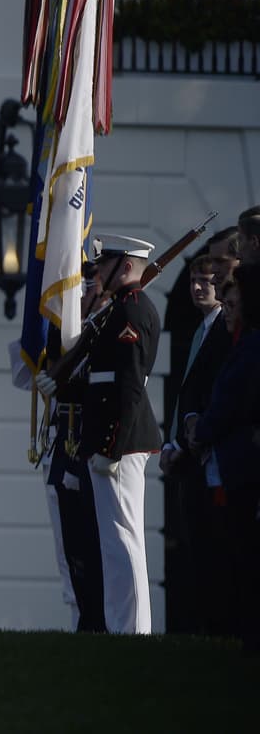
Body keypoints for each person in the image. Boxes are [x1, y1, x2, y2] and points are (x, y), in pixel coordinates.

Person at [79, 233, 162, 634]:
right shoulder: (120, 311)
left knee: (124, 539)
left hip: (120, 442)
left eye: (106, 263)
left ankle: (132, 630)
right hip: (112, 439)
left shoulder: (130, 313)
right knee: (114, 542)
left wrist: (111, 446)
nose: (97, 272)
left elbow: (129, 387)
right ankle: (122, 627)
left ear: (126, 266)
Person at [188, 267, 260, 653]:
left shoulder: (249, 347)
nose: (228, 311)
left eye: (234, 304)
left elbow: (230, 403)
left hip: (240, 468)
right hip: (229, 465)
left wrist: (202, 431)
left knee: (242, 558)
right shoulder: (241, 344)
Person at [160, 254, 234, 635]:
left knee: (213, 553)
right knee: (197, 550)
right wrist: (173, 441)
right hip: (189, 451)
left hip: (209, 453)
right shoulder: (201, 328)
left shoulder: (223, 327)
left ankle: (217, 633)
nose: (198, 287)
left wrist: (192, 433)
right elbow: (186, 390)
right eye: (193, 280)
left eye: (207, 280)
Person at [42, 261, 106, 633]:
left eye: (86, 284)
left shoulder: (104, 326)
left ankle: (97, 619)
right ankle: (80, 616)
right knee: (69, 543)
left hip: (89, 440)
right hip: (62, 442)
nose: (78, 294)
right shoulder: (64, 331)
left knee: (97, 538)